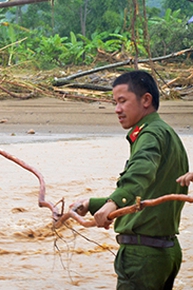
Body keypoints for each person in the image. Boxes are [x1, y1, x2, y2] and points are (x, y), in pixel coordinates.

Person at [72, 70, 188, 289]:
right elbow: (145, 193)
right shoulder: (167, 133)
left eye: (123, 101)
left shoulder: (150, 135)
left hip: (142, 255)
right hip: (167, 251)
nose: (117, 109)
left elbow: (139, 173)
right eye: (115, 102)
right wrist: (91, 204)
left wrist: (113, 204)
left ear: (146, 100)